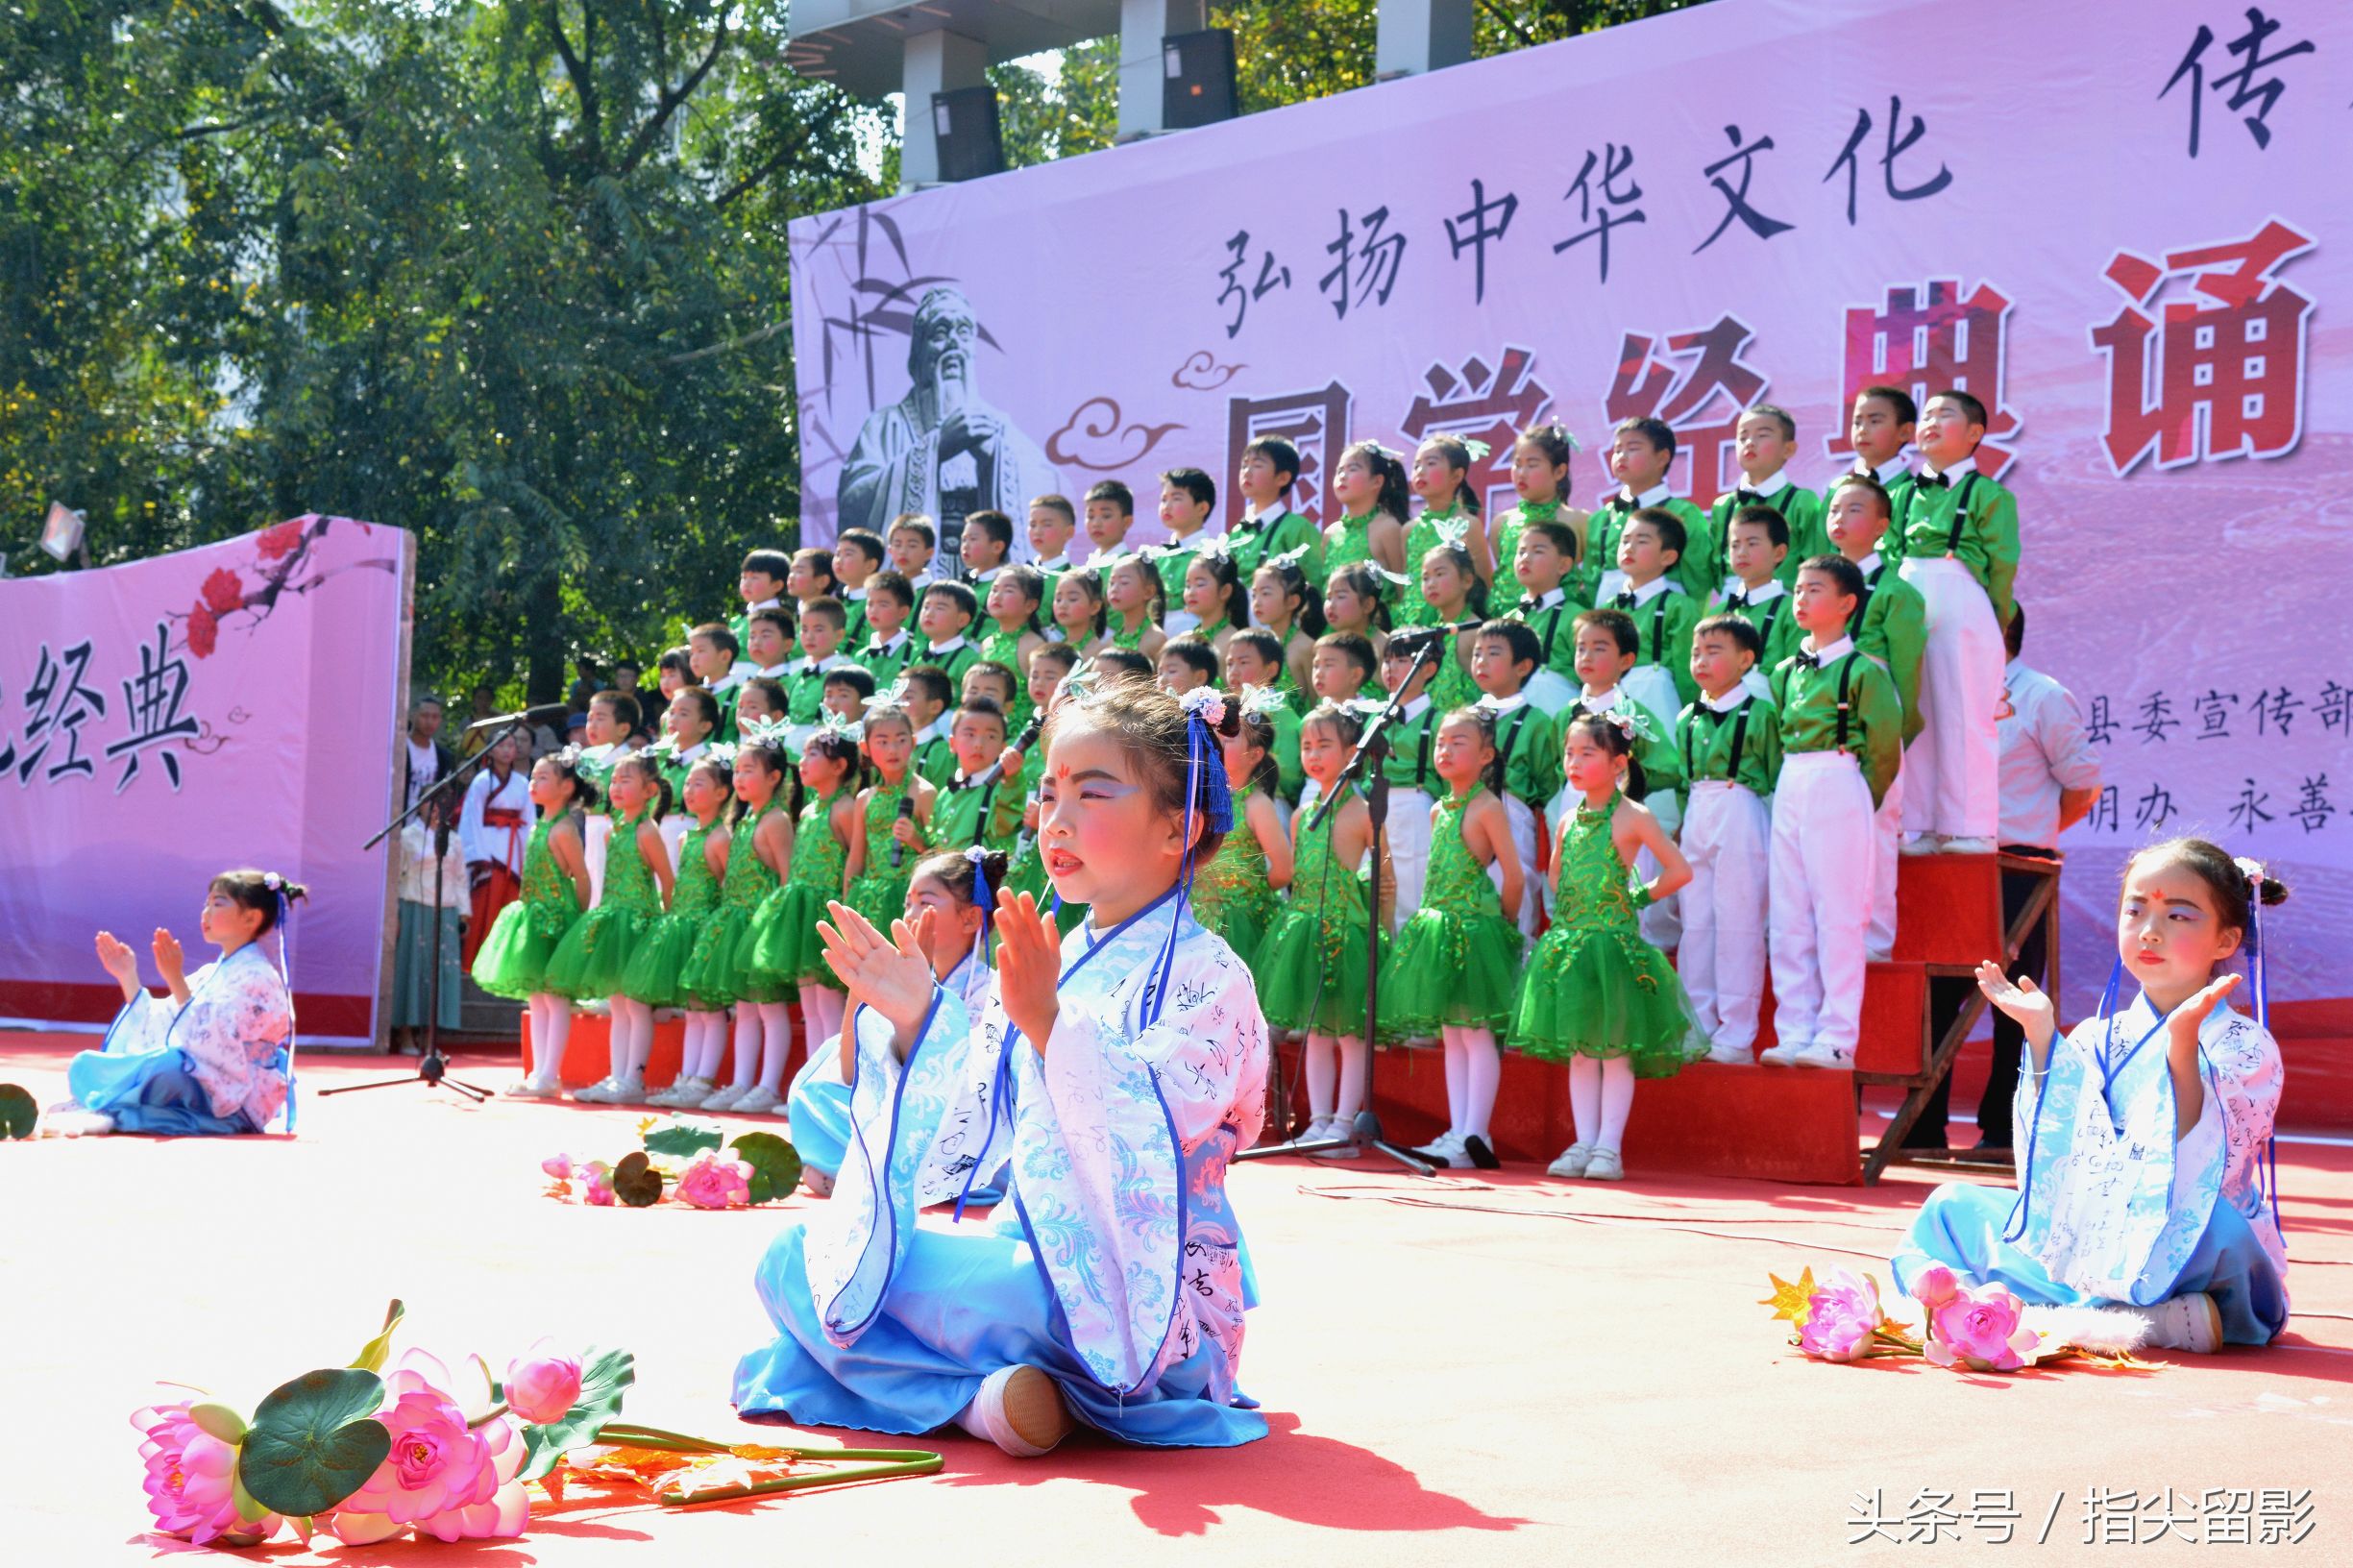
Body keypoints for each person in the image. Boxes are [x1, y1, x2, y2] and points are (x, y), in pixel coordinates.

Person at [734, 675, 1270, 1454]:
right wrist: (920, 1014)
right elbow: (971, 1122)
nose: (1058, 818)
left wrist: (1051, 1024)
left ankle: (984, 1399)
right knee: (798, 1259)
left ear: (1177, 829)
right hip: (1030, 1262)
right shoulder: (1059, 956)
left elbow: (1152, 1133)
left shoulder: (1211, 976)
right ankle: (995, 1401)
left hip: (1146, 1302)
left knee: (830, 1295)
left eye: (1093, 795)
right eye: (1051, 794)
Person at [1892, 840, 2289, 1351]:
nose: (2150, 930)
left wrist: (2184, 1048)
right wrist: (2040, 1037)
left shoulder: (2244, 1044)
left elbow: (2208, 1166)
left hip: (2184, 1240)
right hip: (2094, 1233)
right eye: (2136, 909)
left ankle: (2047, 1311)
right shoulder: (2096, 1038)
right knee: (1950, 1207)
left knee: (2220, 1230)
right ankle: (2152, 1322)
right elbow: (2054, 1160)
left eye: (2179, 916)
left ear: (2225, 939)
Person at [1909, 604, 2103, 1150]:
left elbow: (2083, 784)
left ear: (1997, 635)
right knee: (1938, 995)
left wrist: (2033, 829)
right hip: (1950, 861)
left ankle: (2004, 1129)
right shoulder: (1946, 694)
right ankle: (1923, 1127)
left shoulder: (2042, 695)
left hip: (2017, 864)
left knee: (2014, 999)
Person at [1518, 714, 1703, 1182]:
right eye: (1569, 753)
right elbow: (1556, 877)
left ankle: (1608, 1148)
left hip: (1614, 948)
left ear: (1619, 762)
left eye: (1587, 754)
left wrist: (1638, 895)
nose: (1573, 763)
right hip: (1573, 949)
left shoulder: (1633, 816)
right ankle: (1583, 1141)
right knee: (1581, 1050)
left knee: (1615, 1049)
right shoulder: (1566, 819)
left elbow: (1679, 871)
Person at [782, 847, 1003, 1199]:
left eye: (925, 902)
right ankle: (872, 1175)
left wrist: (921, 992)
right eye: (907, 902)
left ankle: (864, 1175)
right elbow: (853, 1074)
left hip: (956, 1132)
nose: (910, 914)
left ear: (971, 919)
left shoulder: (991, 990)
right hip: (900, 1126)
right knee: (816, 1091)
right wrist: (862, 986)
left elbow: (945, 1084)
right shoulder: (901, 977)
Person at [1760, 557, 1905, 1070]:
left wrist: (1859, 796)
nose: (1800, 599)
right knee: (1789, 911)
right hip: (1792, 780)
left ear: (1847, 603)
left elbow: (1886, 746)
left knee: (1839, 914)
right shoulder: (1782, 674)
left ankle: (1838, 1036)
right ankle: (1794, 1030)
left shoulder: (1864, 669)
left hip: (1840, 778)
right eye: (1797, 589)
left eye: (1814, 589)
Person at [51, 870, 306, 1137]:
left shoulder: (259, 976)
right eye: (206, 904)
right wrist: (128, 976)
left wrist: (174, 977)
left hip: (238, 1093)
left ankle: (110, 1108)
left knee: (167, 1066)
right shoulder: (212, 972)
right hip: (202, 1078)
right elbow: (166, 1021)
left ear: (251, 917)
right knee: (85, 1064)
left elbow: (221, 1041)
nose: (206, 912)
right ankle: (112, 1105)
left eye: (218, 904)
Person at [1382, 706, 1525, 1169]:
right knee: (1452, 1031)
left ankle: (1475, 1132)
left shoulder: (1488, 806)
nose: (1445, 750)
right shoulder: (1440, 808)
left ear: (1487, 755)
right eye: (1441, 742)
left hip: (1476, 926)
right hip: (1440, 925)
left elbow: (1516, 875)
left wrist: (1502, 926)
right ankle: (1458, 1129)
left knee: (1477, 1031)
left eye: (1458, 742)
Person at [1256, 700, 1387, 1153]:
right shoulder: (1300, 815)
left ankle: (1347, 1121)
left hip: (1348, 933)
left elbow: (1384, 876)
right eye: (1306, 746)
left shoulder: (1365, 812)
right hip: (1307, 929)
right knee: (1314, 1029)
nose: (1312, 755)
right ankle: (1319, 1119)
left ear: (1353, 751)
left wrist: (1380, 934)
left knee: (1348, 1033)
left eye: (1324, 745)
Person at [838, 285, 1060, 549]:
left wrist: (997, 456)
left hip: (986, 571)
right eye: (941, 333)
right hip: (915, 577)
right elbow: (852, 502)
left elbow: (1053, 489)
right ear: (920, 351)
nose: (954, 342)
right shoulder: (886, 425)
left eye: (964, 332)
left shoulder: (995, 426)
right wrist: (935, 449)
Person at [1898, 388, 2019, 855]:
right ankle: (1920, 822)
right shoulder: (1900, 494)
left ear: (1974, 433)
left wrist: (1995, 621)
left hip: (1961, 594)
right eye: (1926, 415)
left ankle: (1970, 826)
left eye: (1944, 414)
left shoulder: (1989, 494)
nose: (1930, 422)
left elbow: (2002, 565)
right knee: (1917, 710)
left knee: (1965, 710)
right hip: (1908, 593)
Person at [1826, 474, 1927, 961]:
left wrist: (1897, 730)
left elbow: (1906, 673)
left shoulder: (1894, 591)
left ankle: (1873, 939)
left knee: (1877, 824)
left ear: (1883, 525)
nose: (1839, 520)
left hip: (1874, 714)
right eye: (1834, 511)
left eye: (1854, 510)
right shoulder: (1813, 587)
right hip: (1823, 723)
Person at [1676, 616, 1782, 1066]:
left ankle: (1736, 1033)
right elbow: (1683, 778)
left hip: (1742, 808)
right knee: (1695, 922)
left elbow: (1775, 773)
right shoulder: (1686, 717)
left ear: (1746, 659)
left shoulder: (1760, 713)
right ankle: (1696, 1024)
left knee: (1738, 920)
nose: (1701, 660)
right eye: (1696, 652)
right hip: (1699, 810)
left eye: (1714, 651)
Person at [545, 753, 674, 1105]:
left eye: (625, 781)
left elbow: (666, 880)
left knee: (635, 1004)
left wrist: (665, 928)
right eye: (614, 781)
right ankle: (618, 1075)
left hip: (638, 923)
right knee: (618, 1004)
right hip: (615, 920)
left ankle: (634, 1077)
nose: (616, 787)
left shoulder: (648, 831)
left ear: (649, 790)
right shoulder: (612, 830)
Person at [744, 723, 865, 1075]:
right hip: (801, 916)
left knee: (829, 1002)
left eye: (813, 753)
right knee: (810, 1001)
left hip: (826, 910)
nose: (803, 761)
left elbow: (852, 858)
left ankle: (835, 1075)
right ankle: (814, 1075)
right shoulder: (809, 810)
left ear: (839, 765)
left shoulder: (843, 808)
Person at [481, 750, 596, 1096]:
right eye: (533, 776)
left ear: (565, 787)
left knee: (555, 997)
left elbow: (582, 878)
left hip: (556, 918)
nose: (533, 782)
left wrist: (574, 923)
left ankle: (550, 1074)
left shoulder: (563, 829)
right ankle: (537, 1073)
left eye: (543, 777)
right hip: (533, 916)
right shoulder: (539, 825)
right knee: (538, 998)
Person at [638, 753, 738, 1110]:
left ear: (722, 792)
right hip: (685, 926)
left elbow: (730, 885)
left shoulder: (722, 837)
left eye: (700, 784)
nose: (690, 790)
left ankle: (703, 1079)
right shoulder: (685, 838)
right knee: (692, 1010)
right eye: (689, 783)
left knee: (709, 1009)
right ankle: (686, 1077)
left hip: (708, 929)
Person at [1191, 690, 1292, 970]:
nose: (1219, 742)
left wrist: (1246, 895)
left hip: (1242, 921)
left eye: (1229, 738)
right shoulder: (1201, 798)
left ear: (1255, 754)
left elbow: (1283, 870)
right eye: (1216, 735)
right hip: (1196, 913)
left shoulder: (1256, 803)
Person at [1700, 404, 1826, 593]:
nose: (1750, 442)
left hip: (1785, 607)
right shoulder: (1723, 505)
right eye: (1743, 437)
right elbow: (1717, 565)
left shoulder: (1802, 501)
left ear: (1789, 449)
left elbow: (1816, 559)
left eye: (1762, 435)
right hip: (1732, 604)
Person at [1590, 417, 1706, 605]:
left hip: (1663, 613)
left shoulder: (1684, 513)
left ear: (1662, 457)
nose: (1622, 455)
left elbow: (1698, 579)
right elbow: (1591, 579)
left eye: (1633, 448)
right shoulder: (1601, 518)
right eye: (1617, 450)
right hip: (1608, 612)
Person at [390, 795, 467, 1053]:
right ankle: (405, 1035)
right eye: (429, 804)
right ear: (419, 806)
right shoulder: (408, 835)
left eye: (440, 804)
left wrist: (463, 912)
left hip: (445, 908)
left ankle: (430, 1039)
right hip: (414, 905)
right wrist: (396, 913)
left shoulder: (454, 839)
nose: (435, 809)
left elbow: (460, 877)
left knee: (439, 974)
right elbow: (396, 877)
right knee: (412, 970)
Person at [1609, 508, 1699, 716]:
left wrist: (1690, 715)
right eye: (1625, 540)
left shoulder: (1680, 606)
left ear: (1668, 556)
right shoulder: (1609, 606)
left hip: (1660, 703)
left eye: (1642, 541)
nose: (1629, 548)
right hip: (1613, 702)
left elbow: (1687, 673)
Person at [1490, 422, 1588, 605]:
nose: (1521, 473)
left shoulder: (1578, 520)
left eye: (1532, 465)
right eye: (1517, 464)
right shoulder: (1501, 522)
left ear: (1559, 471)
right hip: (1509, 621)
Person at [1706, 505, 1800, 698]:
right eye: (1734, 545)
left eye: (1752, 543)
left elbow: (1796, 674)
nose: (1741, 552)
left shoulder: (1791, 609)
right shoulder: (1720, 610)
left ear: (1779, 553)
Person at [458, 729, 531, 968]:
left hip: (514, 850)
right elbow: (470, 819)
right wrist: (478, 857)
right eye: (501, 745)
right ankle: (476, 962)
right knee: (484, 908)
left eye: (511, 745)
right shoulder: (482, 781)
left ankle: (505, 965)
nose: (507, 750)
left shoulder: (522, 783)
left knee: (510, 907)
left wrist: (529, 855)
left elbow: (530, 821)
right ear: (490, 750)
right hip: (488, 852)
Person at [1401, 434, 1485, 625]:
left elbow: (1482, 583)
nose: (1420, 471)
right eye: (1416, 465)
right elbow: (1405, 589)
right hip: (1414, 627)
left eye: (1430, 463)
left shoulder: (1468, 524)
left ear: (1456, 475)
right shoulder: (1409, 529)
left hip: (1455, 625)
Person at [1504, 517, 1584, 715]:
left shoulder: (1577, 617)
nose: (1525, 558)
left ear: (1564, 565)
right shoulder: (1509, 619)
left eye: (1537, 551)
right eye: (1521, 552)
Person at [1824, 385, 1920, 552]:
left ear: (1905, 431)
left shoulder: (1914, 492)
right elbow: (1822, 549)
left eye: (1874, 421)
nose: (1862, 430)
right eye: (1857, 422)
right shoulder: (1838, 488)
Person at [1228, 435, 1323, 587]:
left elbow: (1316, 583)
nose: (1247, 471)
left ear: (1283, 478)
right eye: (1244, 465)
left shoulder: (1299, 528)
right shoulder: (1237, 531)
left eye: (1257, 465)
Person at [1321, 440, 1409, 579]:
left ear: (1377, 481)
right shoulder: (1330, 533)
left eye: (1352, 469)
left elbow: (1403, 590)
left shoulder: (1388, 528)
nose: (1342, 476)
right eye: (1340, 470)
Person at [1151, 468, 1217, 637]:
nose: (1167, 506)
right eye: (1163, 499)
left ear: (1202, 508)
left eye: (1176, 499)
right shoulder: (1156, 557)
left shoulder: (1212, 554)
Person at [1249, 552, 1322, 696]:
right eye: (1254, 594)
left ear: (1292, 601)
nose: (1257, 602)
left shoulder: (1304, 647)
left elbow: (1316, 702)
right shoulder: (1261, 644)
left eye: (1265, 593)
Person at [851, 572, 919, 692]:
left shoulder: (916, 654)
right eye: (870, 604)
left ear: (903, 612)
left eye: (883, 604)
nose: (873, 610)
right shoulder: (861, 656)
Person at [1179, 548, 1246, 662]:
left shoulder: (1233, 642)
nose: (1191, 592)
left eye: (1200, 584)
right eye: (1188, 586)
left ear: (1225, 591)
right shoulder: (1184, 638)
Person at [1103, 555, 1167, 661]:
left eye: (1124, 582)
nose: (1114, 589)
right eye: (1111, 583)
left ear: (1148, 592)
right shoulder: (1110, 642)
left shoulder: (1156, 639)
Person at [402, 695, 457, 810]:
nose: (430, 721)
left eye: (435, 717)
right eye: (424, 716)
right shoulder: (400, 750)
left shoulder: (444, 757)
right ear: (412, 716)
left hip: (429, 821)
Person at [833, 528, 887, 648]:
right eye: (837, 554)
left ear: (870, 565)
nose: (838, 560)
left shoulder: (874, 606)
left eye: (848, 554)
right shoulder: (838, 601)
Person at [1025, 494, 1079, 584]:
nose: (1037, 531)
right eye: (1033, 525)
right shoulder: (1021, 575)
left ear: (1068, 532)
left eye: (1047, 525)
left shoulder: (1077, 577)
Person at [959, 507, 1016, 588]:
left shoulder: (1006, 587)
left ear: (997, 547)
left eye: (973, 539)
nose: (965, 545)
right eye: (964, 539)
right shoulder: (964, 583)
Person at [888, 514, 941, 590]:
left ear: (929, 553)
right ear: (890, 550)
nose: (902, 551)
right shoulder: (885, 590)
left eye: (912, 545)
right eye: (897, 545)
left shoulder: (935, 592)